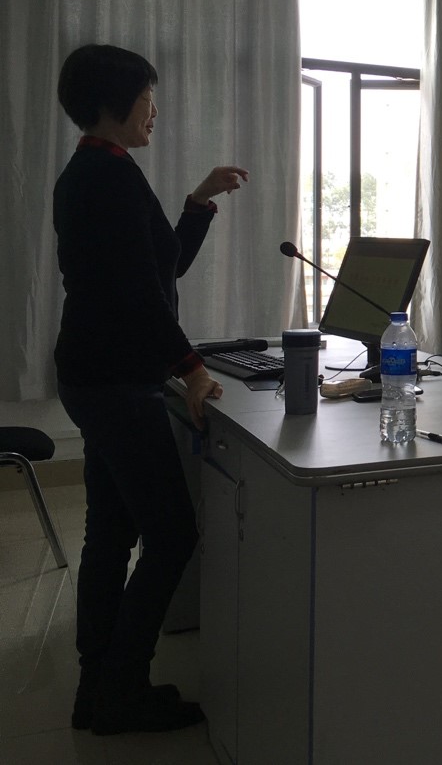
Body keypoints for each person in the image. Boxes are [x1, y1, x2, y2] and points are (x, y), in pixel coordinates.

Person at [53, 45, 248, 734]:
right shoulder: (106, 178)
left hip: (95, 374)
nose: (154, 111)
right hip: (115, 380)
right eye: (147, 99)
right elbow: (139, 297)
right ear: (116, 103)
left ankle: (98, 686)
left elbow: (160, 267)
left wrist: (198, 202)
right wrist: (192, 367)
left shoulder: (98, 168)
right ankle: (120, 690)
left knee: (111, 532)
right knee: (170, 536)